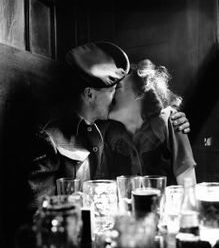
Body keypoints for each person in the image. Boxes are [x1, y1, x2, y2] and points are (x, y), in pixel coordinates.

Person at [26, 42, 191, 212]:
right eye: (113, 89)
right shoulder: (54, 138)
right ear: (90, 94)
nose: (114, 97)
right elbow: (38, 214)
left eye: (117, 88)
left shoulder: (112, 127)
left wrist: (175, 120)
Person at [101, 59, 196, 185]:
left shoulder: (170, 121)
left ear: (141, 91)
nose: (109, 95)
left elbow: (188, 186)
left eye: (117, 87)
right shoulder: (109, 135)